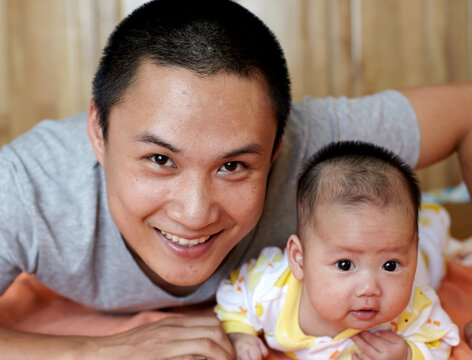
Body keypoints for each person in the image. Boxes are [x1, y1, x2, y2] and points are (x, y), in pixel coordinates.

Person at [0, 0, 470, 358]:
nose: (194, 213)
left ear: (278, 146)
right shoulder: (27, 187)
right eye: (160, 159)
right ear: (97, 133)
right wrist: (102, 350)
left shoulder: (317, 145)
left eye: (233, 166)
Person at [215, 141, 460, 360]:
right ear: (298, 260)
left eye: (390, 265)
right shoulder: (271, 289)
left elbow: (440, 340)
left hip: (420, 257)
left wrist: (408, 354)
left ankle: (431, 223)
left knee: (432, 255)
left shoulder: (412, 309)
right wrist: (240, 333)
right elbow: (236, 296)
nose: (370, 288)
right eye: (345, 264)